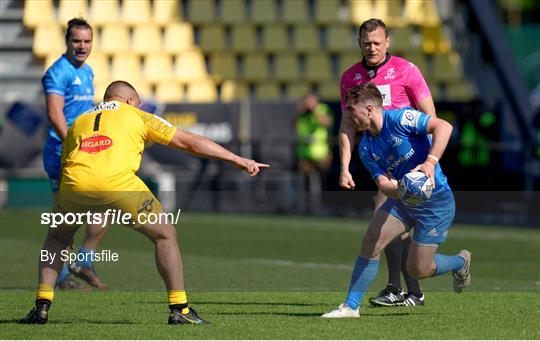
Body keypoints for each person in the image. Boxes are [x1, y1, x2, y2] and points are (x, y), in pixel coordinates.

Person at [21, 81, 269, 325]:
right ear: (130, 101)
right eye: (137, 103)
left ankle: (42, 306)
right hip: (120, 185)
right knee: (165, 235)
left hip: (74, 184)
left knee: (56, 239)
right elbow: (188, 141)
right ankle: (179, 308)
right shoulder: (137, 115)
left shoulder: (80, 120)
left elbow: (68, 161)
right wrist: (235, 159)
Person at [322, 83, 471, 318]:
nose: (348, 116)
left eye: (351, 110)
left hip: (436, 202)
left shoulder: (401, 118)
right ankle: (351, 307)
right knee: (372, 239)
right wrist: (402, 189)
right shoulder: (366, 147)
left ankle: (459, 262)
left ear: (369, 109)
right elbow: (384, 185)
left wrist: (430, 163)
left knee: (418, 269)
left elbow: (444, 126)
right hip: (404, 200)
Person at [339, 18, 437, 307]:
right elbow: (346, 125)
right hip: (381, 159)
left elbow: (430, 115)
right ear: (359, 43)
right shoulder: (350, 77)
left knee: (392, 220)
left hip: (412, 159)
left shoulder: (407, 71)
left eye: (377, 43)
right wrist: (344, 166)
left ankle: (404, 288)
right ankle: (407, 290)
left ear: (388, 42)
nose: (372, 48)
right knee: (390, 220)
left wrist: (428, 163)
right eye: (366, 43)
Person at [42, 17, 107, 290]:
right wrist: (73, 143)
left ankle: (83, 260)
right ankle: (58, 277)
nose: (82, 46)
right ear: (67, 42)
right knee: (67, 217)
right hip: (62, 151)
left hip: (85, 151)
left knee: (104, 206)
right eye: (77, 41)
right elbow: (55, 113)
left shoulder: (88, 70)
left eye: (87, 41)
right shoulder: (58, 72)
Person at [296, 94, 334, 212]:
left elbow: (326, 122)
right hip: (305, 155)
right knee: (306, 182)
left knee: (323, 182)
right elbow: (296, 128)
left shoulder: (322, 109)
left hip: (320, 154)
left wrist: (315, 112)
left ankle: (323, 206)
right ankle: (306, 207)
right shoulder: (302, 114)